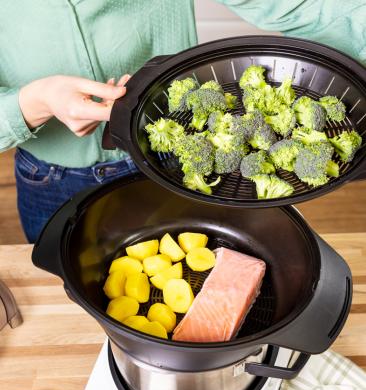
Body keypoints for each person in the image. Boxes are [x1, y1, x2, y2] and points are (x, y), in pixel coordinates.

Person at [1, 0, 365, 243]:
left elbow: (303, 5)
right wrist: (34, 102)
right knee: (66, 304)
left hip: (179, 159)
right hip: (51, 177)